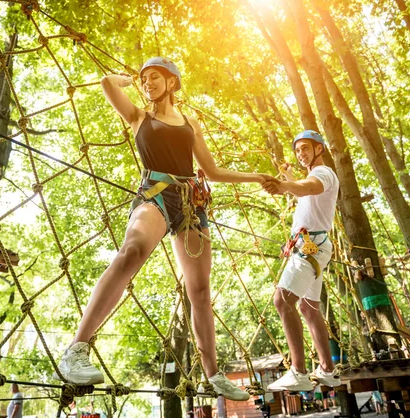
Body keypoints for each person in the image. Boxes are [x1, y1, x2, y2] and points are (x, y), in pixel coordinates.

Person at [54, 57, 272, 401]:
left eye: (154, 77)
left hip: (191, 204)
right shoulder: (139, 116)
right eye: (144, 80)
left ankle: (214, 375)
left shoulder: (190, 122)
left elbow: (212, 171)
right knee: (133, 250)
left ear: (172, 82)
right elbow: (107, 84)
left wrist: (256, 177)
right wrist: (130, 78)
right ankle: (76, 350)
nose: (147, 83)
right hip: (154, 195)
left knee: (200, 291)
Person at [262, 130, 341, 391]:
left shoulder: (323, 174)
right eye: (297, 150)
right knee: (309, 308)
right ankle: (328, 370)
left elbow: (309, 187)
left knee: (282, 300)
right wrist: (288, 178)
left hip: (311, 247)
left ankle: (298, 372)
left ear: (320, 149)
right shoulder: (311, 177)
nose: (301, 154)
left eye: (306, 148)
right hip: (311, 246)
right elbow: (303, 192)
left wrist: (284, 184)